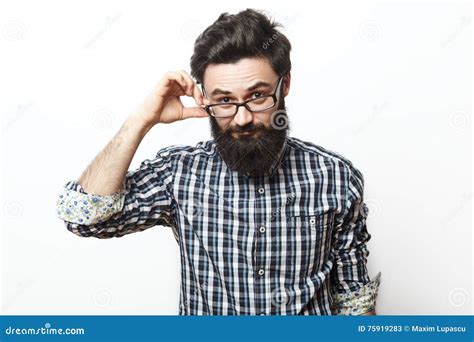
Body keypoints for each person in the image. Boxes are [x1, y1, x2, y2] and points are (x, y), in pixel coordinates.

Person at [56, 8, 381, 315]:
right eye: (224, 100)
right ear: (206, 98)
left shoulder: (336, 177)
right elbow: (86, 217)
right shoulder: (180, 174)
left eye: (257, 96)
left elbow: (354, 301)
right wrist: (143, 118)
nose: (241, 118)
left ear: (286, 85)